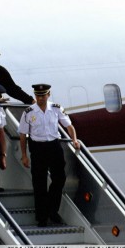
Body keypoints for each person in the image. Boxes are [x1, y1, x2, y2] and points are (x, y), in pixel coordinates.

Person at [18, 84, 80, 227]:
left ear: (48, 95)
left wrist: (74, 140)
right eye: (38, 95)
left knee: (59, 179)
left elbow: (68, 126)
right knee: (39, 183)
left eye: (43, 95)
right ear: (35, 96)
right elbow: (22, 134)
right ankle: (42, 217)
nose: (40, 98)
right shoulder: (29, 112)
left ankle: (52, 210)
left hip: (54, 146)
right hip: (37, 148)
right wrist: (24, 155)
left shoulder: (56, 109)